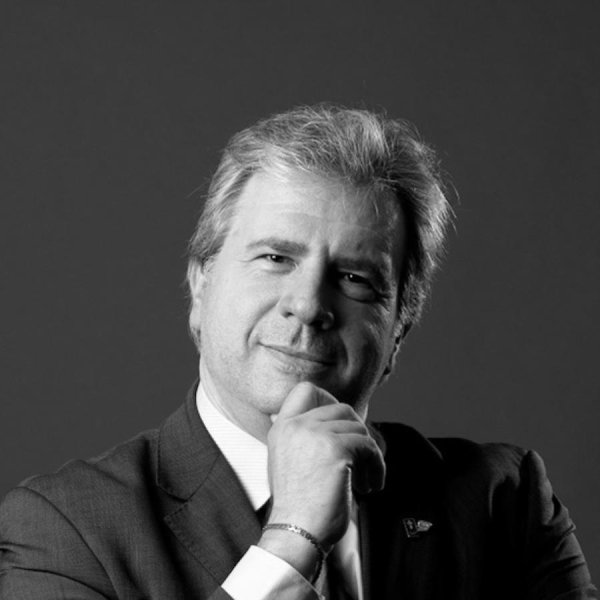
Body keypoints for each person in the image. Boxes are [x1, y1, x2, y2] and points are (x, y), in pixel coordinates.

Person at [0, 105, 595, 600]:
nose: (309, 305)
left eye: (356, 279)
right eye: (275, 257)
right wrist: (292, 538)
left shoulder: (503, 502)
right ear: (201, 288)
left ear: (398, 332)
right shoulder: (64, 529)